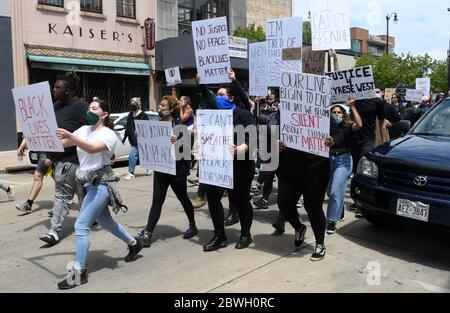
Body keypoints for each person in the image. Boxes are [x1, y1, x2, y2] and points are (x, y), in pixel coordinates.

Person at [55, 99, 144, 290]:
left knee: (80, 225)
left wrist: (72, 136)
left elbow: (92, 148)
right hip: (87, 184)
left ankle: (79, 271)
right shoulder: (83, 130)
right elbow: (62, 143)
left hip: (101, 184)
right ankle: (134, 243)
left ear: (104, 114)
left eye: (94, 108)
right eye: (89, 108)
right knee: (106, 222)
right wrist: (33, 140)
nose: (89, 111)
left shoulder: (108, 134)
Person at [197, 70, 256, 251]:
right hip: (218, 166)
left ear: (231, 98)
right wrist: (201, 83)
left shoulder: (243, 114)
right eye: (217, 95)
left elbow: (253, 138)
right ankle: (219, 235)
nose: (217, 98)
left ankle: (246, 234)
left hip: (241, 166)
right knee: (213, 198)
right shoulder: (213, 113)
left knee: (241, 200)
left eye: (221, 95)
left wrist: (241, 148)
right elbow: (207, 98)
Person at [135, 95, 198, 248]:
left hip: (176, 172)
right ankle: (148, 234)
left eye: (162, 105)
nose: (159, 108)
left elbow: (186, 151)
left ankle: (193, 225)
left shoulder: (179, 126)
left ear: (171, 109)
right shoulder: (157, 126)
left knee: (183, 199)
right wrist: (141, 136)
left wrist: (177, 143)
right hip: (161, 169)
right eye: (159, 105)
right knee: (157, 201)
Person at [36, 73, 88, 246]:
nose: (54, 89)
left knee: (83, 195)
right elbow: (46, 131)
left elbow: (91, 131)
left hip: (80, 161)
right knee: (62, 196)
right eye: (54, 86)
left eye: (58, 87)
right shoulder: (53, 107)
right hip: (63, 162)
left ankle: (90, 216)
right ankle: (54, 231)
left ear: (69, 91)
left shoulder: (81, 106)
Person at [325, 100, 362, 234]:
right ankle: (339, 209)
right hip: (328, 160)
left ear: (344, 114)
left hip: (344, 161)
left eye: (339, 112)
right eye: (334, 112)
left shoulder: (348, 126)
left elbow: (359, 124)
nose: (336, 114)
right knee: (330, 192)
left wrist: (353, 106)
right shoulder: (326, 126)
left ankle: (331, 221)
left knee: (335, 191)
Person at [123, 98, 150, 180]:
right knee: (139, 154)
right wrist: (124, 138)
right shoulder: (130, 114)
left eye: (134, 103)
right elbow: (127, 126)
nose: (132, 104)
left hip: (142, 139)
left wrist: (140, 131)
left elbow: (147, 126)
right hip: (133, 139)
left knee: (133, 154)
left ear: (138, 104)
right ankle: (148, 168)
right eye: (131, 102)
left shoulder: (143, 115)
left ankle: (131, 172)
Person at [15, 150, 48, 214]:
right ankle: (28, 204)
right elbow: (28, 139)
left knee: (57, 177)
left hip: (51, 152)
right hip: (42, 152)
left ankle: (63, 201)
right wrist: (21, 147)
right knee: (38, 176)